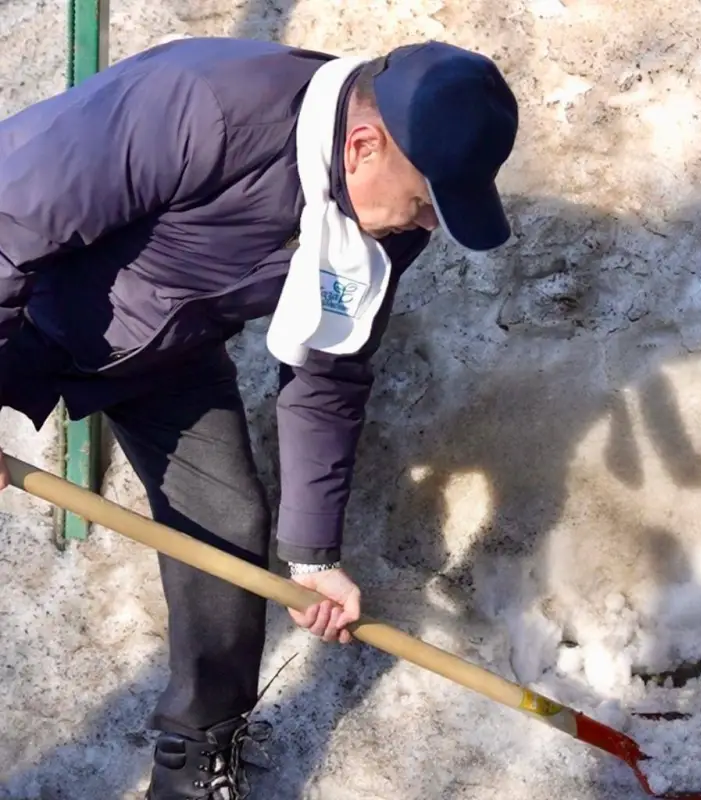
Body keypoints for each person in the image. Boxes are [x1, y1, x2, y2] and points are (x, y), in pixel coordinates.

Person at [0, 35, 518, 799]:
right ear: (363, 144)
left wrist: (313, 556)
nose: (426, 228)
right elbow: (8, 220)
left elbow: (329, 371)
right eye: (423, 203)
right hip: (25, 305)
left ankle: (194, 752)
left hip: (160, 351)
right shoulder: (200, 105)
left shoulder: (384, 224)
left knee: (228, 527)